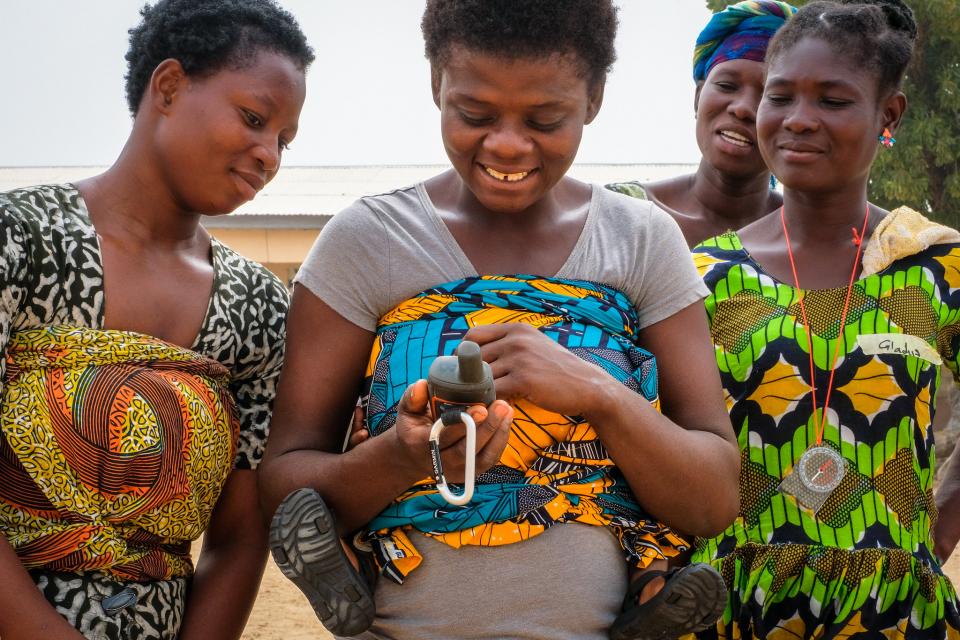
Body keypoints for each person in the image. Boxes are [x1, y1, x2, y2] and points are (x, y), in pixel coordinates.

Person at [258, 2, 739, 639]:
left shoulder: (642, 241)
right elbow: (282, 488)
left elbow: (711, 499)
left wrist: (597, 395)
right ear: (437, 85)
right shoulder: (368, 242)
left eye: (545, 119)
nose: (507, 144)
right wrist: (404, 457)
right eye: (475, 115)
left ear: (593, 98)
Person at [0, 2, 312, 639]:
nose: (269, 155)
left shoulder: (257, 307)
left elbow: (239, 536)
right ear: (168, 87)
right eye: (254, 120)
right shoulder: (21, 241)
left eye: (283, 138)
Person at [689, 0, 960, 636]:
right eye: (780, 98)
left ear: (887, 115)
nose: (798, 120)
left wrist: (934, 534)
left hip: (893, 616)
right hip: (729, 611)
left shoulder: (932, 264)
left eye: (833, 101)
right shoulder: (703, 275)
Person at [607, 0, 795, 248]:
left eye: (769, 96)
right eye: (727, 86)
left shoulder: (814, 237)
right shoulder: (619, 214)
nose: (742, 108)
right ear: (698, 96)